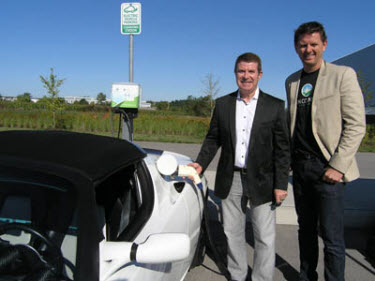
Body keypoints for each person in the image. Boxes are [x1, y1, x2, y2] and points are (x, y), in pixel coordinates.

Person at [190, 52, 290, 281]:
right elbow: (213, 139)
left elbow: (283, 150)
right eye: (242, 71)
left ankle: (261, 278)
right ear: (236, 73)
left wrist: (281, 184)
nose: (246, 76)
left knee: (264, 236)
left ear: (260, 74)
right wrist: (200, 164)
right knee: (232, 232)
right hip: (230, 178)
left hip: (263, 180)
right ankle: (238, 275)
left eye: (251, 71)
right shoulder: (223, 104)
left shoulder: (275, 107)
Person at [285, 21, 366, 281]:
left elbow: (356, 125)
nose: (308, 49)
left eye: (313, 44)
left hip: (328, 169)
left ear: (324, 45)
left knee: (332, 238)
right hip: (300, 168)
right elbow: (293, 124)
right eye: (303, 45)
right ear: (296, 48)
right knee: (305, 231)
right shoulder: (292, 81)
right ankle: (307, 276)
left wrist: (337, 166)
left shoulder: (343, 75)